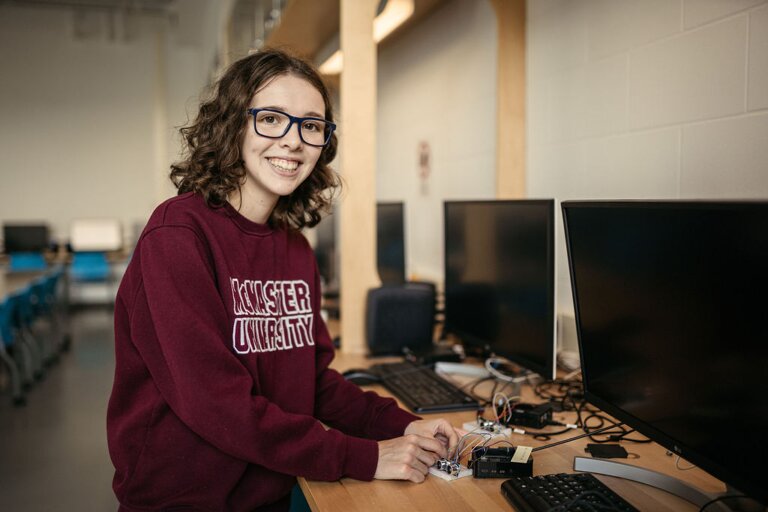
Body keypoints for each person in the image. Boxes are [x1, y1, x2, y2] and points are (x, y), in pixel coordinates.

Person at [106, 48, 461, 512]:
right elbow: (215, 403)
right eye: (272, 119)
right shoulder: (177, 236)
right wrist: (364, 456)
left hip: (268, 493)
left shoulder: (294, 248)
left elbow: (310, 382)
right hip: (185, 500)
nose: (293, 141)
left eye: (311, 125)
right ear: (234, 124)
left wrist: (400, 424)